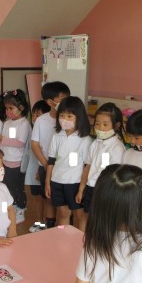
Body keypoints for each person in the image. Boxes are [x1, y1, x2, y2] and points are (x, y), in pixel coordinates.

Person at [76, 102, 125, 230]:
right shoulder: (95, 144)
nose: (100, 128)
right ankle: (83, 243)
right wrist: (81, 189)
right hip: (90, 188)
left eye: (105, 124)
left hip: (105, 191)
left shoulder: (117, 147)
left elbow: (115, 176)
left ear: (117, 125)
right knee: (85, 217)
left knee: (102, 221)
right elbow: (87, 167)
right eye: (97, 123)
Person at [45, 96, 92, 227]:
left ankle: (81, 242)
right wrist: (47, 182)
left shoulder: (85, 140)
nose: (64, 120)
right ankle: (62, 241)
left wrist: (82, 189)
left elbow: (87, 166)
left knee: (80, 215)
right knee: (63, 213)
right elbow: (51, 161)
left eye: (69, 116)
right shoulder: (56, 136)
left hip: (75, 183)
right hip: (57, 181)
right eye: (62, 115)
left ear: (79, 118)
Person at [31, 81, 70, 230]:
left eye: (67, 97)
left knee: (61, 203)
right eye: (62, 98)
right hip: (46, 166)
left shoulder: (70, 120)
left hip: (64, 169)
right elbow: (34, 144)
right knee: (48, 199)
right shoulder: (42, 120)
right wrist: (46, 164)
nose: (65, 102)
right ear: (50, 102)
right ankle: (49, 227)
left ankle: (61, 229)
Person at [0, 89, 31, 224]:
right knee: (6, 186)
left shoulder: (24, 123)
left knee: (17, 187)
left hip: (17, 162)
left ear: (21, 108)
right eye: (6, 108)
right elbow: (5, 141)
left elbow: (20, 143)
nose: (8, 111)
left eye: (11, 108)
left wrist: (1, 139)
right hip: (5, 160)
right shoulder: (7, 123)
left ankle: (21, 209)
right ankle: (10, 208)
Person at [24, 100, 51, 233]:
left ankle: (47, 222)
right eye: (33, 115)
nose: (34, 118)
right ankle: (40, 221)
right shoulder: (33, 129)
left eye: (38, 115)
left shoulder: (49, 130)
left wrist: (40, 170)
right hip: (34, 168)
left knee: (46, 198)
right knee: (37, 197)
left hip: (43, 169)